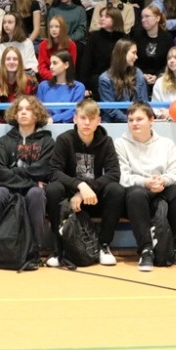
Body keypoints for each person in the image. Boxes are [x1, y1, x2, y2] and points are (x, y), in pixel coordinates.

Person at [112, 101, 176, 271]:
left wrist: (162, 180)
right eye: (131, 120)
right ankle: (145, 250)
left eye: (139, 119)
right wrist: (145, 182)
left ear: (151, 120)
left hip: (162, 186)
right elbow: (122, 177)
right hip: (139, 190)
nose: (134, 123)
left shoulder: (166, 144)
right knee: (136, 194)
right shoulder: (120, 144)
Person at [46, 98, 125, 267]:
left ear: (98, 121)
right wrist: (79, 186)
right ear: (75, 119)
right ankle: (58, 248)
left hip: (93, 198)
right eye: (83, 118)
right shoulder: (64, 139)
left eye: (91, 118)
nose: (87, 123)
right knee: (53, 189)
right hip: (70, 199)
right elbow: (54, 171)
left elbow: (114, 173)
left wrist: (88, 189)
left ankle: (103, 245)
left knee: (116, 190)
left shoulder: (106, 141)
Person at [0, 96, 54, 261]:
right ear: (15, 115)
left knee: (37, 194)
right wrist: (30, 180)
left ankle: (34, 250)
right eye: (20, 109)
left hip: (32, 190)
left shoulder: (47, 142)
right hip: (9, 188)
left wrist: (14, 171)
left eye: (28, 109)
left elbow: (43, 170)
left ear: (37, 114)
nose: (23, 112)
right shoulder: (4, 141)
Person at [98, 38, 148, 123]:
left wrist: (135, 119)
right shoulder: (105, 79)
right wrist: (129, 120)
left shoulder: (138, 73)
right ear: (123, 53)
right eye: (133, 53)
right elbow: (110, 109)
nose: (136, 57)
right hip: (113, 123)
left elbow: (143, 102)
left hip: (136, 120)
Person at [132, 5, 174, 92]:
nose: (143, 20)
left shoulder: (167, 38)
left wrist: (158, 76)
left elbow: (169, 61)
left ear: (157, 18)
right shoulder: (136, 36)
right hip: (139, 76)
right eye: (142, 17)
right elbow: (133, 60)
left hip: (162, 77)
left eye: (147, 16)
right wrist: (142, 75)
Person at [37, 51, 86, 124]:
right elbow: (38, 108)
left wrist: (54, 119)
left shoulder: (78, 87)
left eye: (55, 63)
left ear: (66, 65)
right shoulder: (43, 86)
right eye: (50, 63)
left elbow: (75, 110)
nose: (51, 67)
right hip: (45, 125)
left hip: (68, 126)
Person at [37, 15, 77, 82]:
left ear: (63, 29)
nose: (53, 29)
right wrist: (54, 78)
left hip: (64, 79)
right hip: (48, 80)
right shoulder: (43, 45)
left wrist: (61, 78)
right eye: (51, 27)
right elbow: (42, 68)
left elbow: (70, 67)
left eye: (57, 26)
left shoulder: (71, 45)